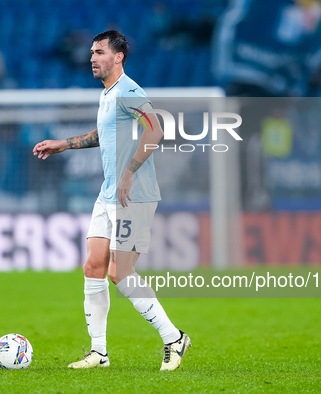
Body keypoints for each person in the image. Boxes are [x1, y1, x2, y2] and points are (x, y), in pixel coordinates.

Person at [33, 30, 191, 371]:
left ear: (118, 57)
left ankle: (174, 338)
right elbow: (100, 136)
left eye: (100, 51)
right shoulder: (108, 95)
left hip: (134, 194)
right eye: (91, 51)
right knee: (93, 267)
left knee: (121, 273)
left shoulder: (129, 90)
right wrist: (64, 143)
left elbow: (155, 129)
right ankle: (99, 353)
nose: (92, 57)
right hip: (108, 194)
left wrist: (131, 172)